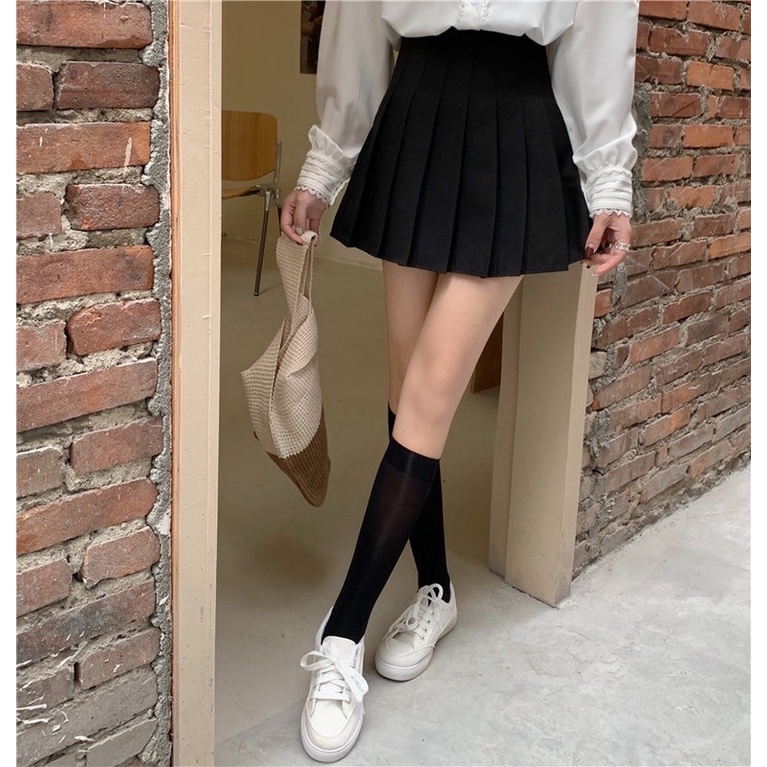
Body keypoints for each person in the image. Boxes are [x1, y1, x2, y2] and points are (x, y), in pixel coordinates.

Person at [280, 1, 639, 761]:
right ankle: (436, 589)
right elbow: (358, 23)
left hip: (516, 120)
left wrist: (609, 181)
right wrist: (324, 166)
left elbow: (599, 33)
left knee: (431, 390)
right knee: (406, 386)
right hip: (415, 113)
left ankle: (341, 635)